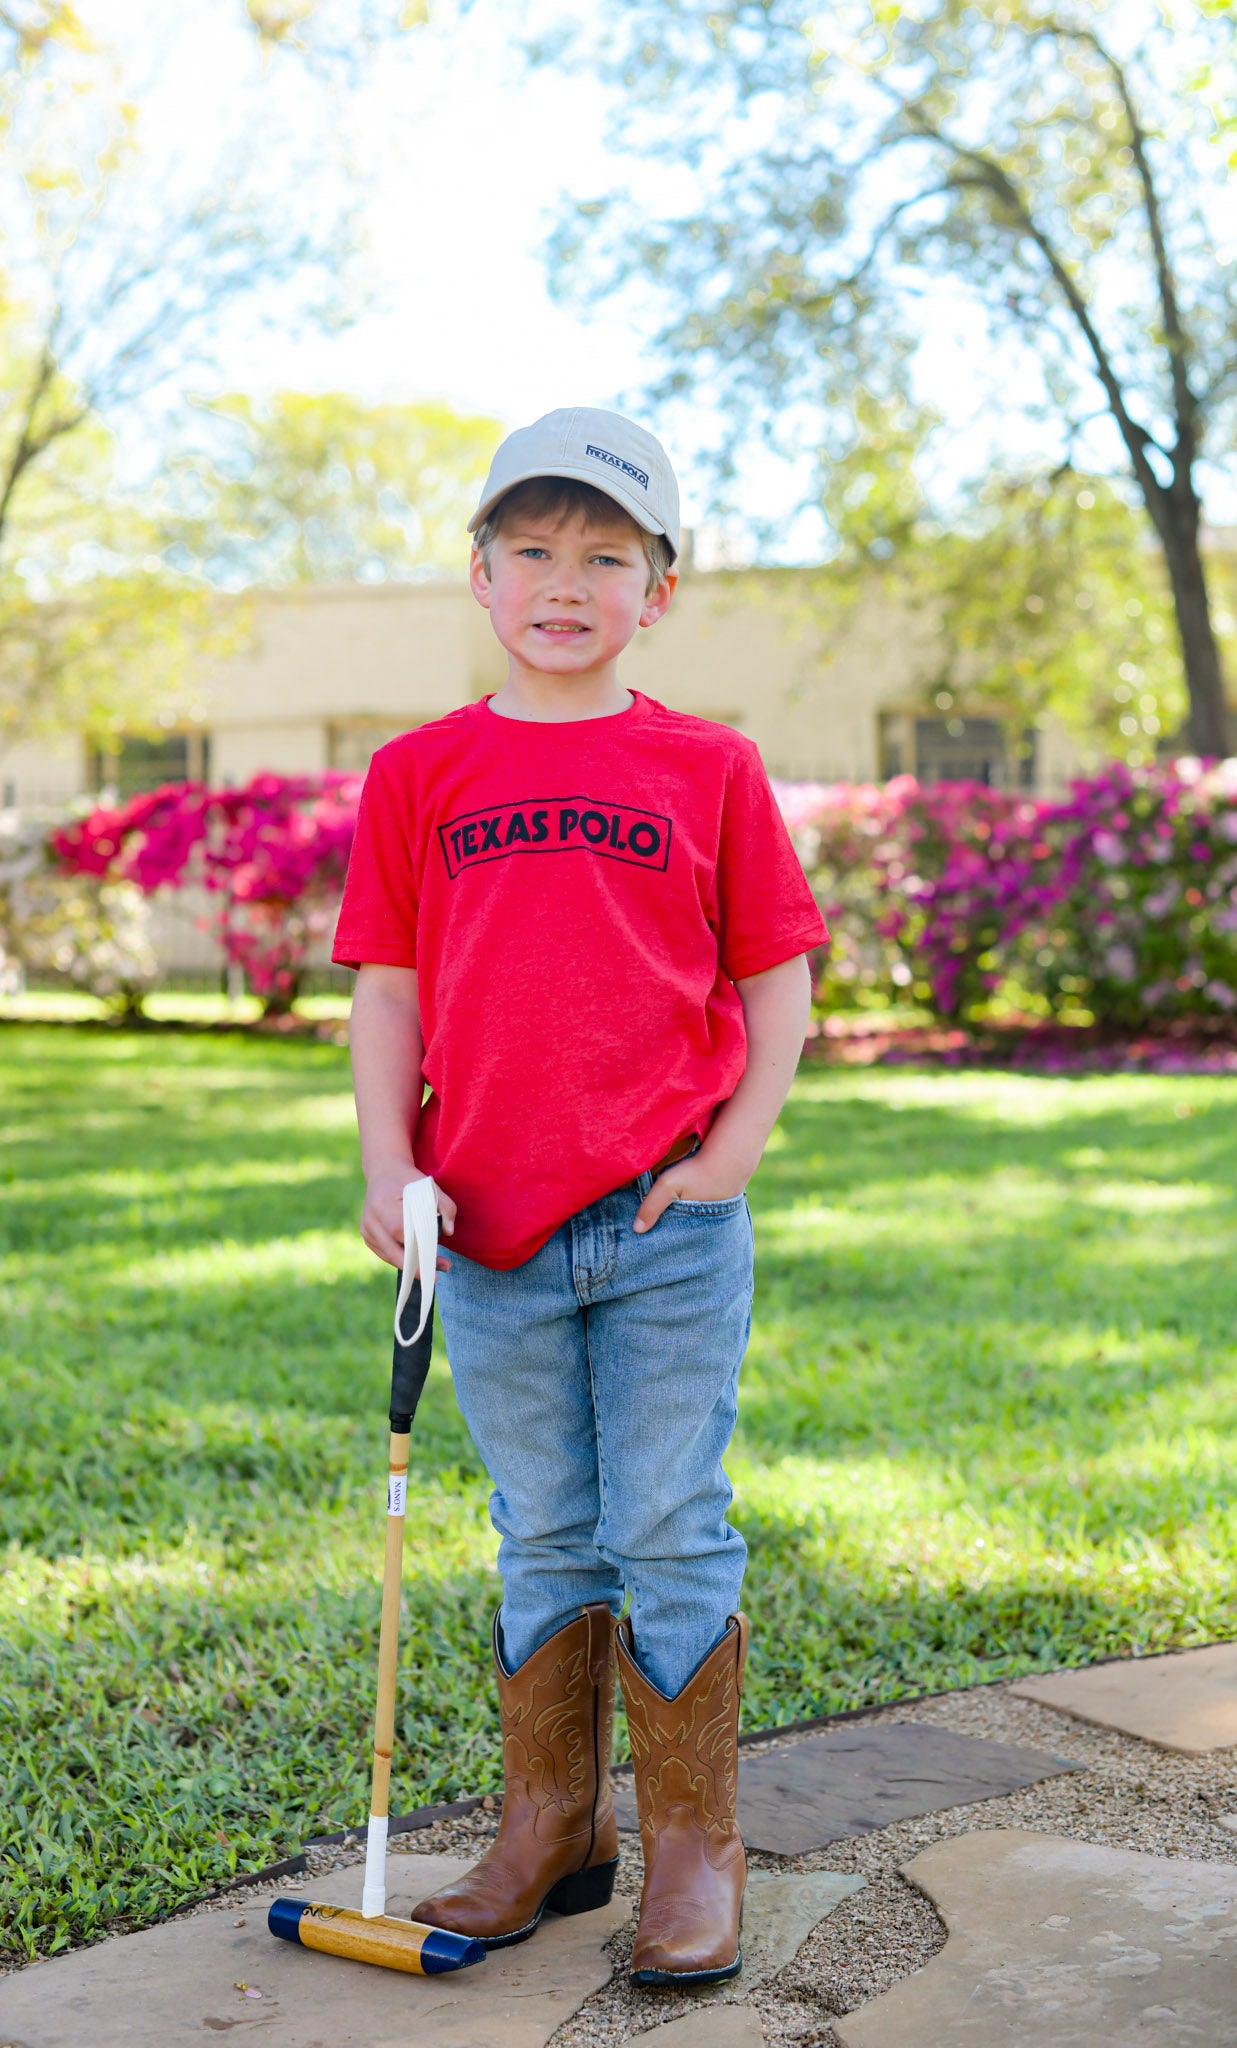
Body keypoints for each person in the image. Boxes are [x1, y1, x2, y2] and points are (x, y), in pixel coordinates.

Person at [333, 406, 828, 1987]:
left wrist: (730, 1154)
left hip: (666, 1222)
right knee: (542, 1526)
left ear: (655, 591)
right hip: (485, 1228)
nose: (566, 580)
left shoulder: (707, 766)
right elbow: (387, 993)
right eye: (533, 550)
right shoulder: (421, 774)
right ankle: (550, 1827)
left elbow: (778, 979)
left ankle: (693, 1845)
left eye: (604, 554)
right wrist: (385, 1165)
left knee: (670, 1520)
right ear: (479, 577)